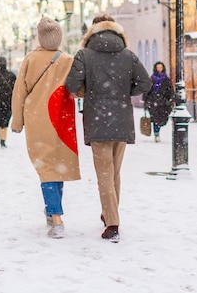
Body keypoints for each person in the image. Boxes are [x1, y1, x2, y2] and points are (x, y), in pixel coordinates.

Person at [65, 14, 152, 243]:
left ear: (92, 32)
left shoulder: (84, 54)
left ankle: (112, 222)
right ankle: (109, 212)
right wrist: (123, 92)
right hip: (122, 118)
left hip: (97, 119)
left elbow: (72, 85)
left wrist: (89, 91)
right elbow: (145, 83)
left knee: (104, 173)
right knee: (114, 172)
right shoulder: (128, 55)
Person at [11, 18, 80, 239]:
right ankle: (54, 211)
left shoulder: (30, 59)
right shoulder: (68, 60)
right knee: (57, 165)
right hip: (62, 119)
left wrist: (17, 121)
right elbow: (78, 89)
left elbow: (19, 93)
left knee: (46, 167)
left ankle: (56, 216)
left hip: (37, 119)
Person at [143, 61, 174, 143]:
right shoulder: (152, 79)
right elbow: (147, 91)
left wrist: (170, 100)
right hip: (153, 102)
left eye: (161, 67)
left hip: (163, 103)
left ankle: (158, 128)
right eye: (158, 67)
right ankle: (156, 134)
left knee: (162, 119)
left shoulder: (166, 79)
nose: (159, 69)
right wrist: (146, 101)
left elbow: (170, 91)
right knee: (155, 119)